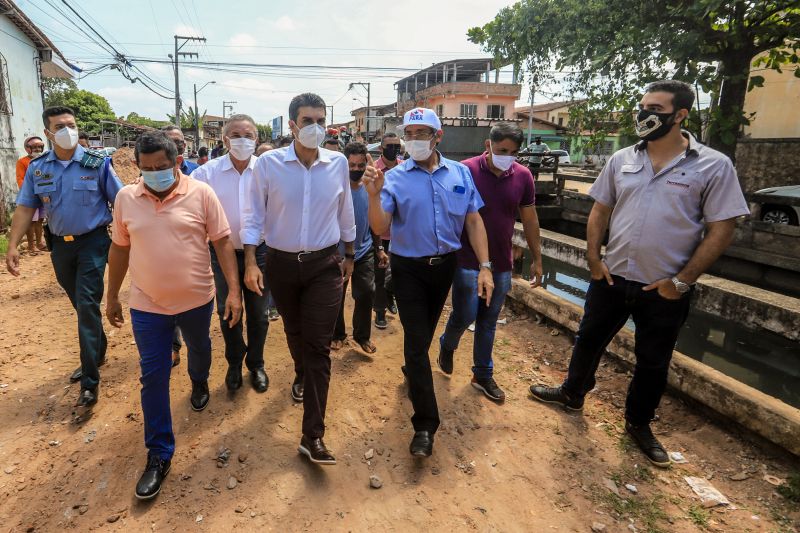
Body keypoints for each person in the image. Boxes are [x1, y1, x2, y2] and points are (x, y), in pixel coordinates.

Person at [529, 80, 750, 467]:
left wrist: (682, 282)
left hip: (663, 287)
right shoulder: (622, 160)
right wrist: (594, 259)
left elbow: (722, 228)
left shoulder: (713, 165)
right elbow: (600, 210)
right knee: (588, 339)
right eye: (642, 106)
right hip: (612, 277)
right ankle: (572, 393)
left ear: (680, 115)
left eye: (656, 109)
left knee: (653, 360)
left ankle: (638, 423)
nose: (645, 115)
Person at [105, 131, 242, 500]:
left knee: (200, 349)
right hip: (148, 304)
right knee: (153, 376)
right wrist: (112, 296)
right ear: (138, 167)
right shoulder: (126, 199)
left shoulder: (201, 193)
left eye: (161, 167)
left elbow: (222, 241)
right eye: (146, 168)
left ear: (176, 162)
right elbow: (119, 249)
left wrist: (233, 291)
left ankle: (199, 381)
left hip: (197, 299)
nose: (154, 174)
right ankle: (159, 453)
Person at [363, 107, 494, 458]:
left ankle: (415, 367)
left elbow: (474, 222)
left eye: (423, 133)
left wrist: (485, 266)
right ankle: (425, 424)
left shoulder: (460, 175)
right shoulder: (393, 178)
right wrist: (374, 196)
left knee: (423, 334)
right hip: (408, 269)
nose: (414, 140)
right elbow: (379, 227)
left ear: (438, 137)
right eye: (410, 133)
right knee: (416, 344)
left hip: (444, 268)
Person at [242, 93, 355, 465]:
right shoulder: (268, 165)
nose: (315, 128)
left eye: (321, 121)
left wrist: (350, 254)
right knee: (294, 333)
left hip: (325, 265)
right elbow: (254, 215)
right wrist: (250, 262)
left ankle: (313, 435)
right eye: (308, 121)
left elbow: (345, 210)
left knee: (319, 346)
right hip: (280, 264)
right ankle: (299, 373)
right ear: (292, 125)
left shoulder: (336, 163)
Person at [6, 106, 123, 407]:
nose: (67, 131)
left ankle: (90, 380)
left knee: (86, 304)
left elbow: (121, 202)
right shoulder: (38, 168)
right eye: (60, 126)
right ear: (48, 133)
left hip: (94, 242)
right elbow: (25, 208)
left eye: (71, 124)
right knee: (80, 304)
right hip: (59, 246)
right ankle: (97, 349)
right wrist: (12, 246)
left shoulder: (97, 164)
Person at [437, 122, 543, 403]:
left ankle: (482, 373)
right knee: (466, 314)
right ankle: (448, 342)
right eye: (502, 150)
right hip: (467, 259)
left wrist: (537, 259)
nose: (507, 156)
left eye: (513, 152)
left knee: (489, 320)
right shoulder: (465, 171)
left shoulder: (523, 176)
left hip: (501, 262)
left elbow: (530, 219)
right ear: (488, 146)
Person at [192, 114, 270, 393]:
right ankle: (234, 362)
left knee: (259, 314)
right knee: (229, 310)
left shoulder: (267, 169)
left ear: (256, 139)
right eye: (236, 135)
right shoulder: (205, 174)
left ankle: (256, 364)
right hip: (221, 254)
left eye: (248, 136)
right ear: (225, 140)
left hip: (260, 252)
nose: (242, 141)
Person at [331, 142, 382, 354]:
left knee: (366, 293)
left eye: (360, 165)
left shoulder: (370, 189)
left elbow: (375, 222)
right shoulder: (335, 188)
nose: (356, 169)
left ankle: (362, 336)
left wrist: (379, 248)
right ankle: (337, 334)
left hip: (364, 251)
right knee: (336, 296)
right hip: (337, 255)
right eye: (351, 165)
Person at [372, 133, 402, 329]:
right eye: (389, 146)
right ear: (382, 148)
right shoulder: (373, 170)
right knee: (380, 274)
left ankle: (391, 293)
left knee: (400, 273)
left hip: (402, 232)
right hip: (380, 232)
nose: (394, 149)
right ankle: (380, 311)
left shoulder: (406, 167)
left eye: (397, 146)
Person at [15, 136, 47, 255]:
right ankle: (31, 246)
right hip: (30, 196)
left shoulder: (45, 160)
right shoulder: (22, 162)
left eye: (40, 147)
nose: (38, 149)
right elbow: (20, 179)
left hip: (43, 195)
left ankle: (39, 243)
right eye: (34, 147)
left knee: (40, 220)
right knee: (30, 221)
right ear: (28, 148)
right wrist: (29, 192)